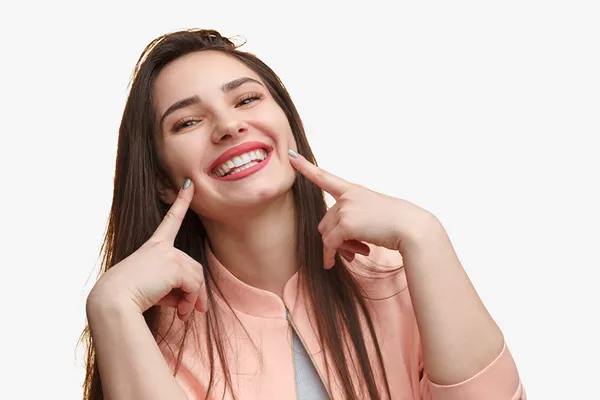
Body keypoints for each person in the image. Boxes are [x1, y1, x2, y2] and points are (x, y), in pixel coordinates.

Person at [81, 29, 525, 400]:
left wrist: (425, 234)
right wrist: (111, 306)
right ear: (161, 180)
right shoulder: (154, 339)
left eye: (246, 99)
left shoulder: (402, 277)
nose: (229, 126)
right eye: (187, 122)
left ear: (288, 125)